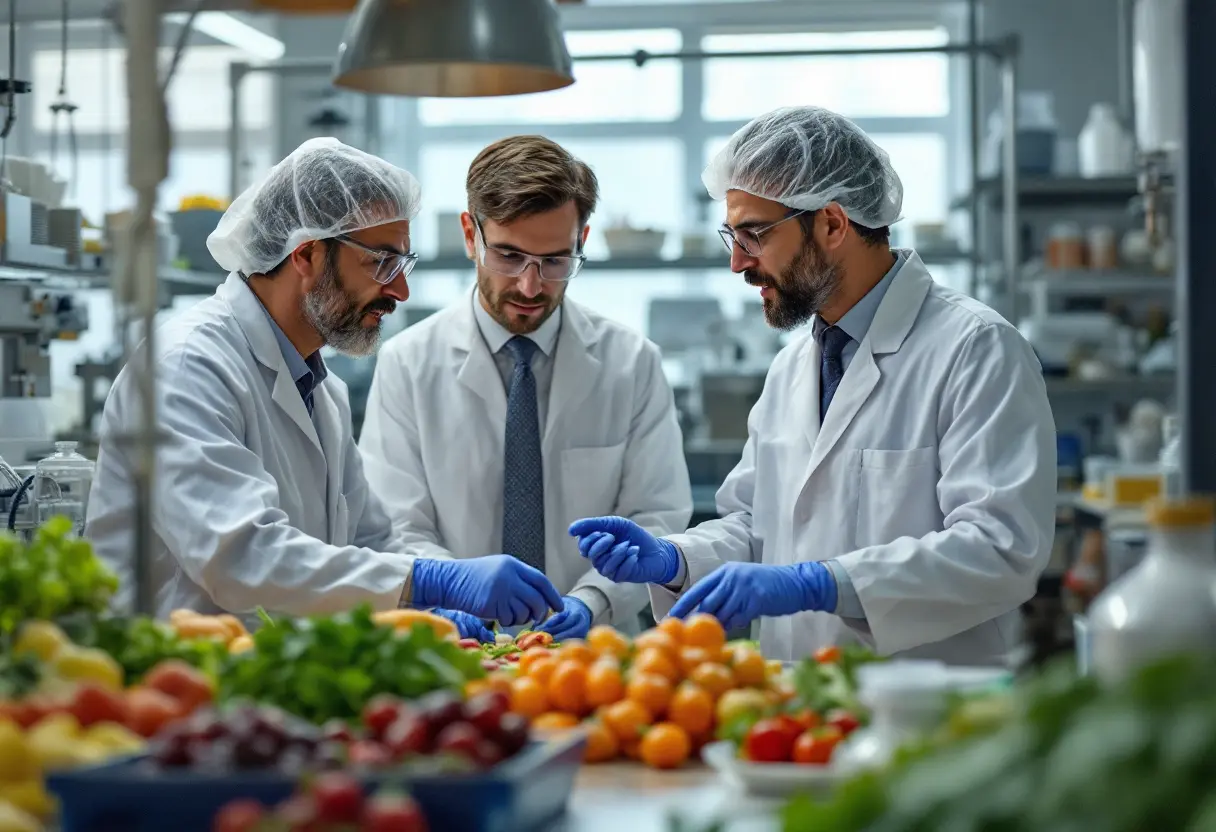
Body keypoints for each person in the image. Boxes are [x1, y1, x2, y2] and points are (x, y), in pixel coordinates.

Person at [569, 106, 1057, 666]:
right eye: (733, 235)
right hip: (798, 704)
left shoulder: (976, 349)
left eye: (753, 235)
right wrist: (672, 559)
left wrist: (823, 583)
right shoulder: (793, 367)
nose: (736, 263)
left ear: (831, 223)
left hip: (926, 711)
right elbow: (756, 524)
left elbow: (1001, 549)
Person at [85, 137, 562, 625]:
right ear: (307, 255)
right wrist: (426, 582)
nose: (400, 290)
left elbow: (372, 539)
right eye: (382, 263)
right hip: (166, 681)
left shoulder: (318, 385)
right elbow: (242, 558)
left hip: (262, 676)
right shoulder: (186, 367)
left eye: (403, 264)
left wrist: (437, 594)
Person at [359, 135, 692, 643]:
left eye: (556, 261)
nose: (531, 286)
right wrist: (449, 591)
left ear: (582, 240)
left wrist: (592, 601)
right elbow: (394, 523)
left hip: (592, 651)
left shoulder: (631, 362)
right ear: (471, 234)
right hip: (452, 642)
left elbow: (657, 516)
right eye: (510, 256)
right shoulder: (408, 363)